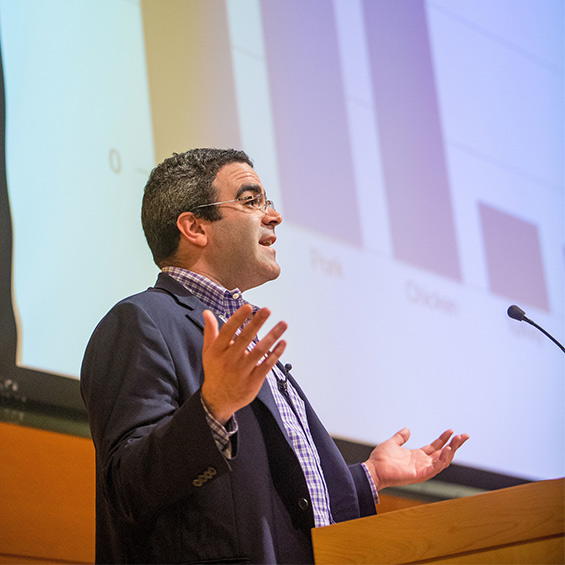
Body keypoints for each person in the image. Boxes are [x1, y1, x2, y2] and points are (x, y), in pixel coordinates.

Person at [81, 148, 468, 564]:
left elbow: (273, 496)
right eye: (251, 201)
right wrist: (212, 408)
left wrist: (371, 475)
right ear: (194, 227)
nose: (274, 215)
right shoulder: (141, 321)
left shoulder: (241, 333)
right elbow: (126, 487)